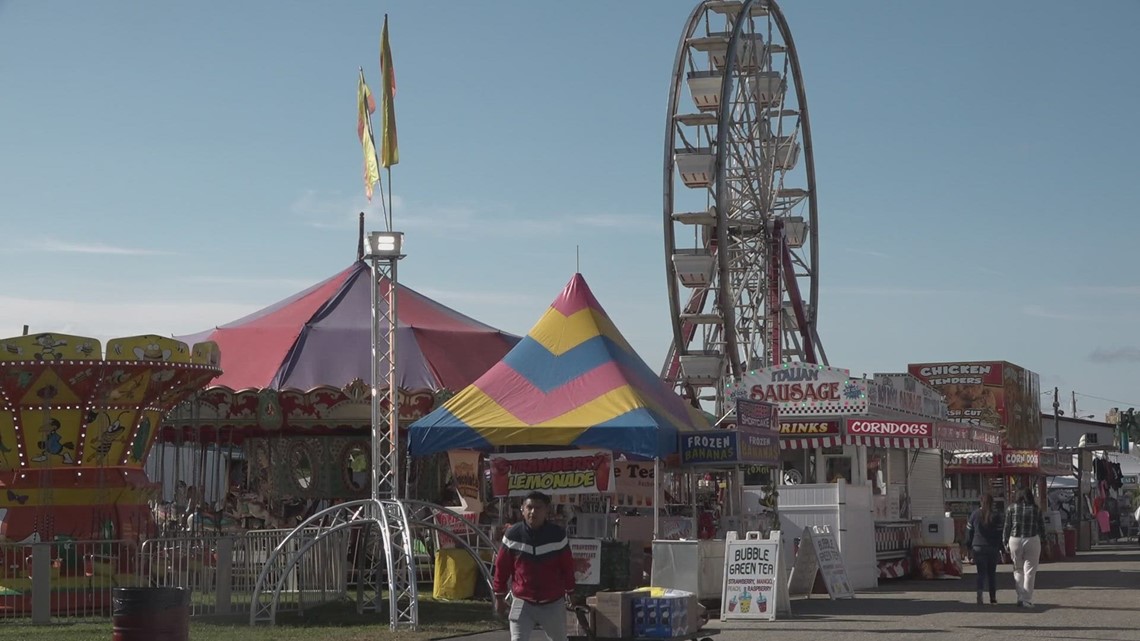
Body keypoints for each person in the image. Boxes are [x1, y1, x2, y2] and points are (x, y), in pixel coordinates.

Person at [493, 491, 576, 641]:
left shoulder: (557, 535)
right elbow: (501, 568)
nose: (533, 512)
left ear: (546, 511)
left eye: (538, 508)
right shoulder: (513, 535)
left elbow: (567, 567)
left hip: (552, 602)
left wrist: (571, 591)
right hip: (522, 601)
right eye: (529, 507)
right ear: (522, 509)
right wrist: (499, 597)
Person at [1002, 488, 1046, 608]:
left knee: (1018, 569)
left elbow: (1007, 527)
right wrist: (1045, 541)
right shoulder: (1036, 509)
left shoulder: (1011, 508)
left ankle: (1020, 596)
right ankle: (1026, 599)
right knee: (1030, 571)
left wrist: (1005, 542)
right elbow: (1041, 527)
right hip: (1032, 539)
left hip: (1015, 540)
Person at [965, 493, 1003, 604]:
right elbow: (999, 533)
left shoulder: (974, 514)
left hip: (978, 547)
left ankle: (980, 595)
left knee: (981, 573)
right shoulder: (996, 516)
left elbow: (969, 532)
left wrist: (968, 546)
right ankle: (993, 597)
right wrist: (1001, 548)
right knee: (992, 574)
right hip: (992, 547)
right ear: (992, 503)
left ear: (981, 502)